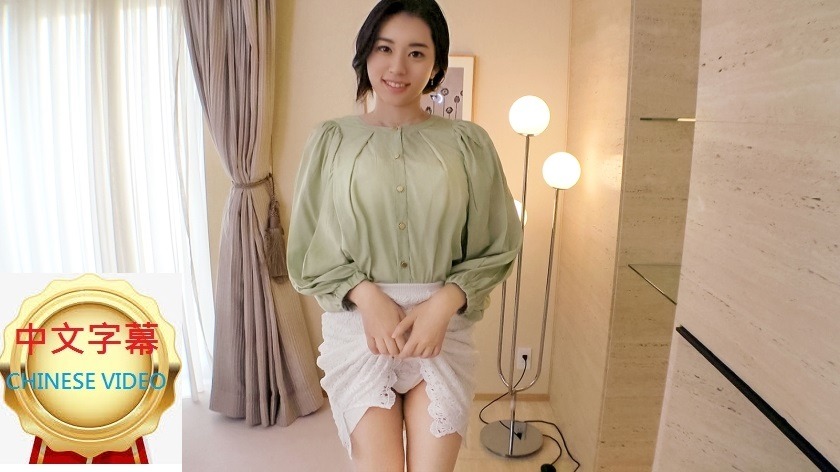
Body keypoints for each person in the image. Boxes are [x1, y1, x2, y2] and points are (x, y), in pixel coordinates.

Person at [287, 1, 522, 470]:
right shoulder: (331, 140)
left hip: (442, 331)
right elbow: (310, 245)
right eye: (384, 48)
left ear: (435, 63)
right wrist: (365, 295)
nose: (398, 67)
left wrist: (444, 302)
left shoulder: (469, 143)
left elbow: (497, 243)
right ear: (365, 54)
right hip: (359, 329)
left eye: (416, 52)